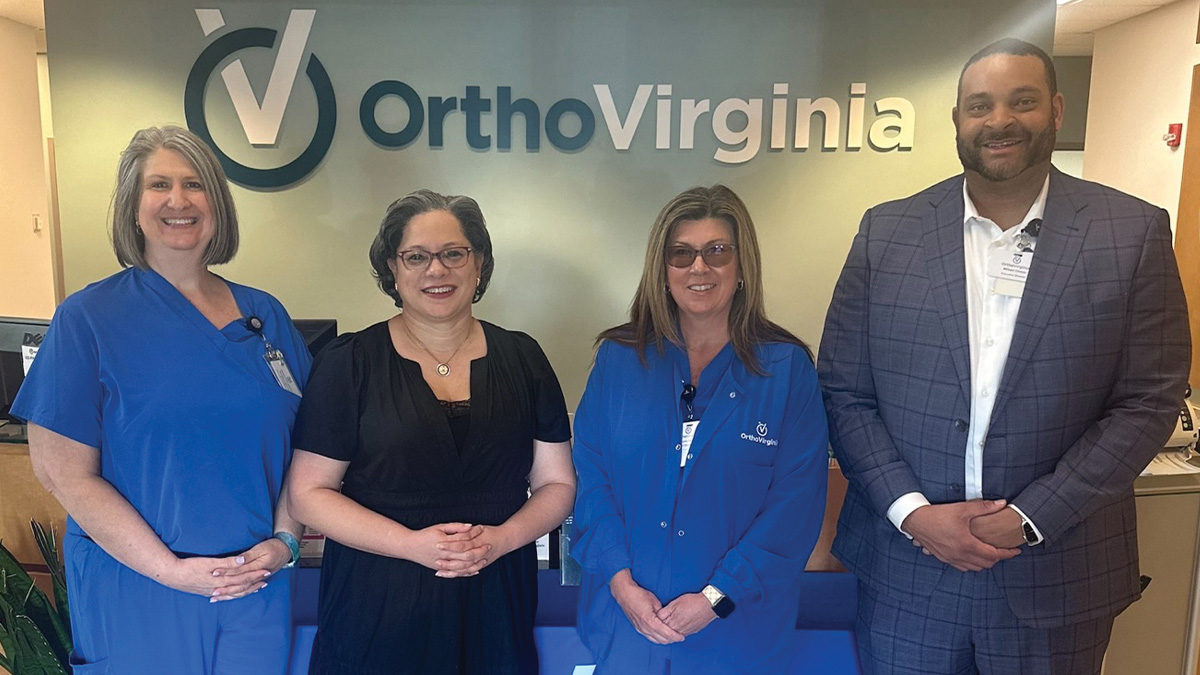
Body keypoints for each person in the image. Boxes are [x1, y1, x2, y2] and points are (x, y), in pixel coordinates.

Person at [819, 38, 1191, 674]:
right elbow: (844, 391)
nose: (999, 121)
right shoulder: (887, 232)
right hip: (909, 573)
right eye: (979, 106)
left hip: (1056, 574)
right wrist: (913, 514)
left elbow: (1148, 399)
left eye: (1021, 102)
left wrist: (1032, 517)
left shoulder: (1130, 232)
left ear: (1056, 110)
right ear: (958, 121)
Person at [11, 125, 312, 674]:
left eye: (195, 184)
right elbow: (63, 474)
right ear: (133, 207)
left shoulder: (265, 316)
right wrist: (172, 571)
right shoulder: (88, 319)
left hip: (255, 583)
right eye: (159, 185)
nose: (178, 200)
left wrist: (285, 543)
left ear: (217, 204)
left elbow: (309, 449)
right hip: (139, 585)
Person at [285, 189, 576, 675]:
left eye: (453, 254)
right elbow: (307, 493)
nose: (436, 271)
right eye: (416, 257)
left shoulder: (524, 359)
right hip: (377, 602)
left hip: (495, 598)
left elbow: (557, 484)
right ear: (392, 270)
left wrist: (502, 540)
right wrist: (411, 545)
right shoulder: (348, 364)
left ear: (478, 263)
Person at [571, 184, 830, 674]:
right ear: (661, 269)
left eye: (716, 251)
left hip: (736, 633)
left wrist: (716, 598)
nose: (698, 267)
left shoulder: (786, 369)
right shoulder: (618, 360)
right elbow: (591, 477)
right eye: (682, 254)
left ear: (741, 265)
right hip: (626, 626)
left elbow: (794, 507)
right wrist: (622, 583)